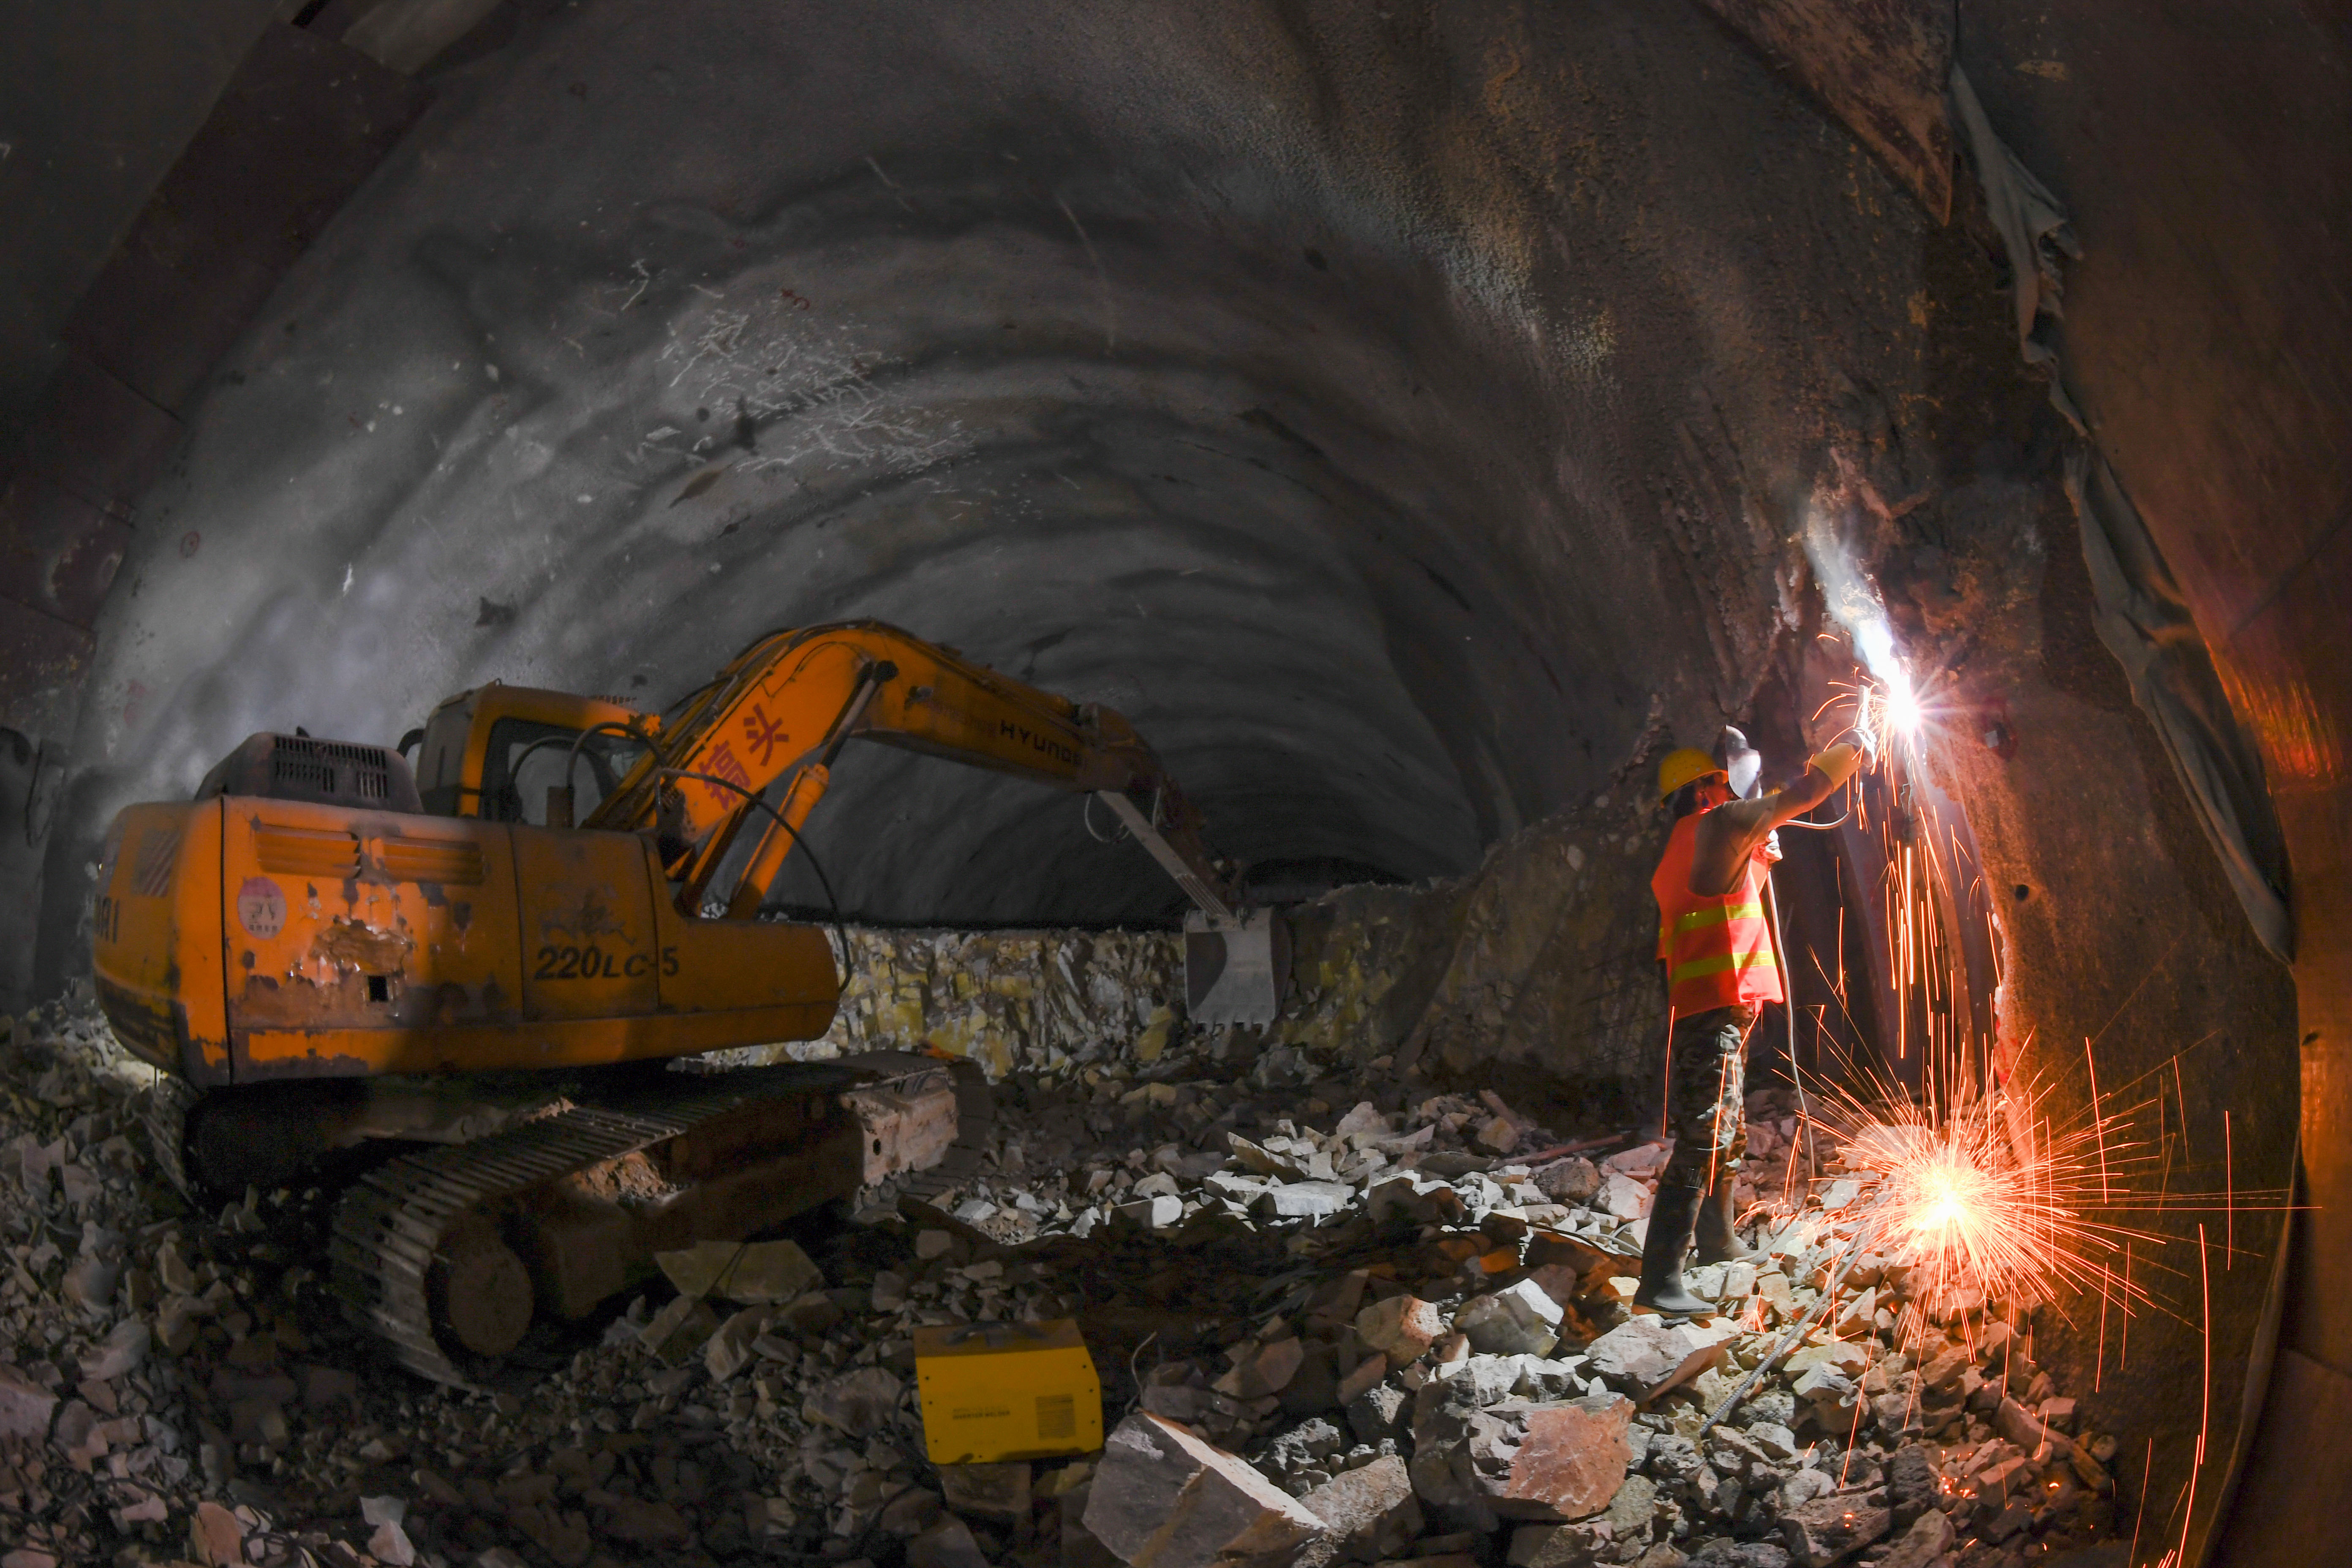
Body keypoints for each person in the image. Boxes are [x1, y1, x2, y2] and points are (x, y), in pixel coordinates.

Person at [1636, 734, 1863, 1314]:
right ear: (1705, 789)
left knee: (1727, 1132)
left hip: (1714, 1011)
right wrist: (1852, 750)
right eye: (1720, 780)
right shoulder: (1719, 824)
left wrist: (1759, 855)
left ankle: (1717, 1242)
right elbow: (1806, 792)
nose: (1727, 785)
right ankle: (1659, 1282)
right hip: (1712, 1014)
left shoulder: (1689, 843)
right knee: (1703, 1140)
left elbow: (1725, 902)